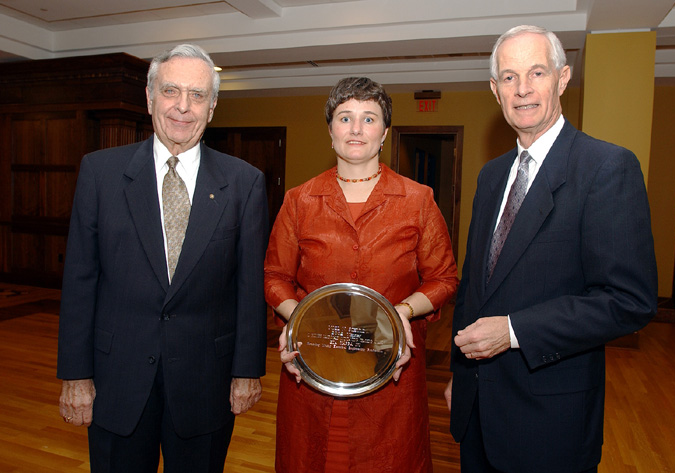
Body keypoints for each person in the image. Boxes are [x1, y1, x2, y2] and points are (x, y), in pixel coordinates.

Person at [445, 25, 658, 473]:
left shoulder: (606, 168)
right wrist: (460, 376)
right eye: (508, 77)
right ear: (494, 89)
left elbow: (629, 301)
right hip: (477, 414)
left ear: (562, 79)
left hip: (548, 425)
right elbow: (474, 288)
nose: (522, 90)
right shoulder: (490, 176)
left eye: (536, 73)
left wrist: (514, 330)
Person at [56, 43, 269, 473]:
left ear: (212, 108)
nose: (183, 107)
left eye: (197, 95)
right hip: (117, 379)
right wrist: (75, 375)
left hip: (205, 382)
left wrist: (247, 370)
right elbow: (80, 279)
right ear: (150, 97)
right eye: (171, 91)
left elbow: (250, 287)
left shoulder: (244, 183)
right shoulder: (99, 173)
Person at [264, 77, 458, 473]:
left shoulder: (418, 200)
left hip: (391, 373)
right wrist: (301, 318)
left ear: (384, 132)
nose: (356, 129)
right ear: (330, 130)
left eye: (369, 119)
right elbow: (274, 277)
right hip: (311, 366)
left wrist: (401, 311)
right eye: (345, 117)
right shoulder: (299, 201)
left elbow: (443, 278)